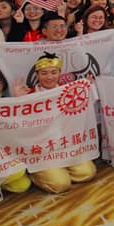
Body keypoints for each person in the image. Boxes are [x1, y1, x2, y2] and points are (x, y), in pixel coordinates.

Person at [25, 55, 99, 193]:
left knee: (88, 172)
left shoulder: (69, 91)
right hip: (43, 151)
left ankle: (59, 171)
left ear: (60, 73)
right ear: (37, 75)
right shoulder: (28, 95)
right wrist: (19, 99)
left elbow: (88, 105)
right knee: (60, 185)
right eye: (44, 73)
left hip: (67, 146)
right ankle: (38, 173)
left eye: (54, 72)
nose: (49, 77)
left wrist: (88, 87)